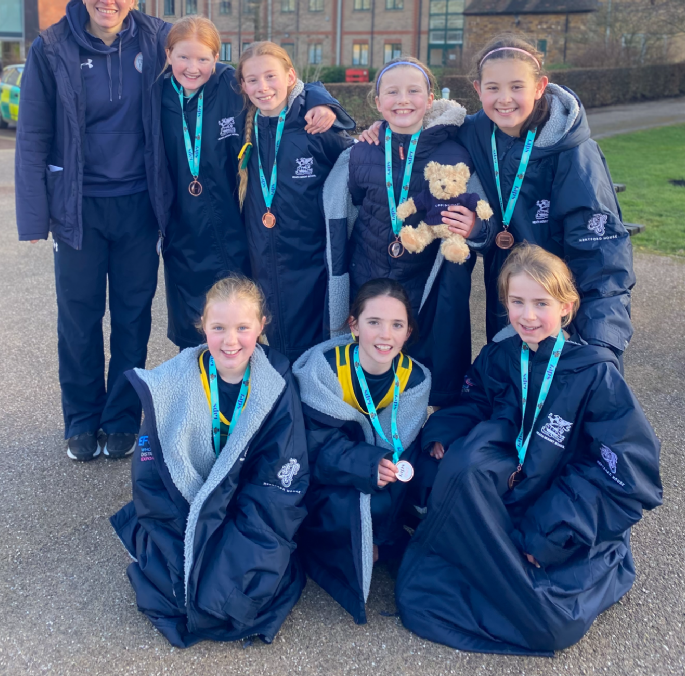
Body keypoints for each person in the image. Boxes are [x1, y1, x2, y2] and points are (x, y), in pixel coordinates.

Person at [395, 243, 662, 657]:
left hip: (556, 507)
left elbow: (626, 472)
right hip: (511, 490)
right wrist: (442, 434)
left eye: (541, 303)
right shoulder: (501, 355)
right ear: (504, 303)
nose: (528, 315)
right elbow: (474, 401)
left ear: (567, 306)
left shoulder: (595, 374)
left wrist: (547, 536)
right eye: (517, 302)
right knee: (454, 475)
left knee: (547, 623)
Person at [15, 0, 171, 462]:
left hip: (139, 207)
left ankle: (122, 417)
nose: (108, 0)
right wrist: (35, 215)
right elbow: (33, 135)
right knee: (79, 319)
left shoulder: (158, 39)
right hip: (78, 208)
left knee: (132, 318)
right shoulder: (52, 47)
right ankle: (81, 418)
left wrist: (314, 95)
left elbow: (223, 65)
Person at [110, 275, 309, 649]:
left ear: (261, 326)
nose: (230, 341)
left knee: (236, 591)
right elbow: (151, 475)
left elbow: (281, 480)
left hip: (249, 507)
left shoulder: (277, 384)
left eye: (242, 328)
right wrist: (193, 526)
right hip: (188, 502)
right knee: (181, 590)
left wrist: (236, 532)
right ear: (202, 326)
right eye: (218, 328)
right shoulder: (173, 383)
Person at [160, 18, 345, 350]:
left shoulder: (230, 89)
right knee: (197, 337)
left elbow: (284, 85)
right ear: (168, 54)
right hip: (184, 240)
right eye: (183, 57)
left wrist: (321, 98)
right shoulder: (155, 95)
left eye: (203, 58)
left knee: (249, 332)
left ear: (217, 58)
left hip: (241, 239)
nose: (193, 67)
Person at [323, 57, 493, 406]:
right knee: (372, 362)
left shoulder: (454, 151)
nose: (403, 99)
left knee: (425, 367)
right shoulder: (363, 151)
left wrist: (476, 228)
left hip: (428, 284)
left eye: (414, 91)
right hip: (369, 274)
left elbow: (483, 217)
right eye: (393, 92)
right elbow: (354, 204)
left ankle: (426, 434)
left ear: (430, 99)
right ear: (378, 101)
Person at [459, 33, 635, 360]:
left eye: (517, 86)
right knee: (511, 391)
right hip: (509, 301)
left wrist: (601, 343)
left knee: (562, 400)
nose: (504, 99)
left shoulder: (575, 152)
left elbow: (602, 253)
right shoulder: (473, 134)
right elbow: (415, 126)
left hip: (562, 307)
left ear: (540, 87)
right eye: (493, 88)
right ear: (477, 89)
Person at [293, 279, 430, 624]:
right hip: (332, 474)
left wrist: (384, 466)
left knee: (409, 487)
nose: (385, 335)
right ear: (354, 325)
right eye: (374, 323)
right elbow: (312, 445)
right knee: (339, 506)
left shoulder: (415, 379)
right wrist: (368, 464)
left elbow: (403, 445)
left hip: (377, 473)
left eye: (397, 325)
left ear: (408, 331)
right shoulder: (324, 369)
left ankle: (381, 541)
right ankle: (356, 546)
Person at [235, 41, 355, 362]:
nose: (263, 87)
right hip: (263, 265)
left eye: (271, 76)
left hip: (311, 268)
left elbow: (357, 167)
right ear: (243, 86)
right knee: (275, 355)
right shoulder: (240, 127)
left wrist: (323, 101)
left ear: (291, 76)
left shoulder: (316, 126)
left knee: (312, 357)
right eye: (253, 80)